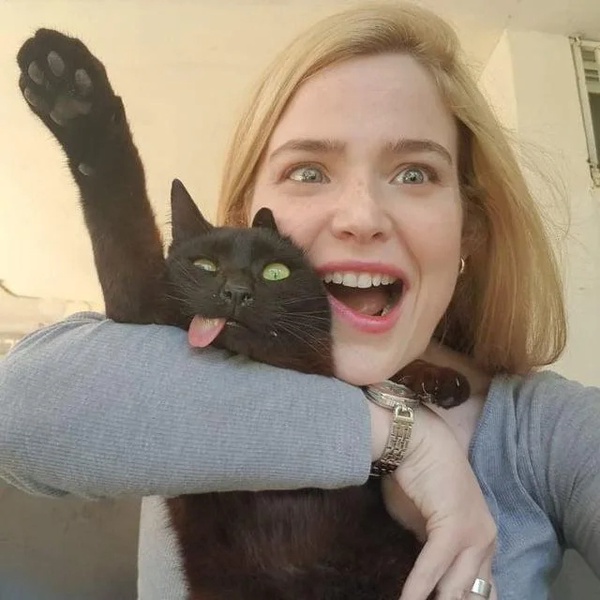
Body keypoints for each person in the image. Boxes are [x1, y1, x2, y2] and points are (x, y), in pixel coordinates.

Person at [1, 2, 599, 599]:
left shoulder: (545, 431)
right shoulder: (182, 377)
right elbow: (19, 408)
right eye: (309, 171)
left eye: (415, 173)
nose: (362, 216)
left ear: (469, 229)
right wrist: (403, 440)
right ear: (250, 215)